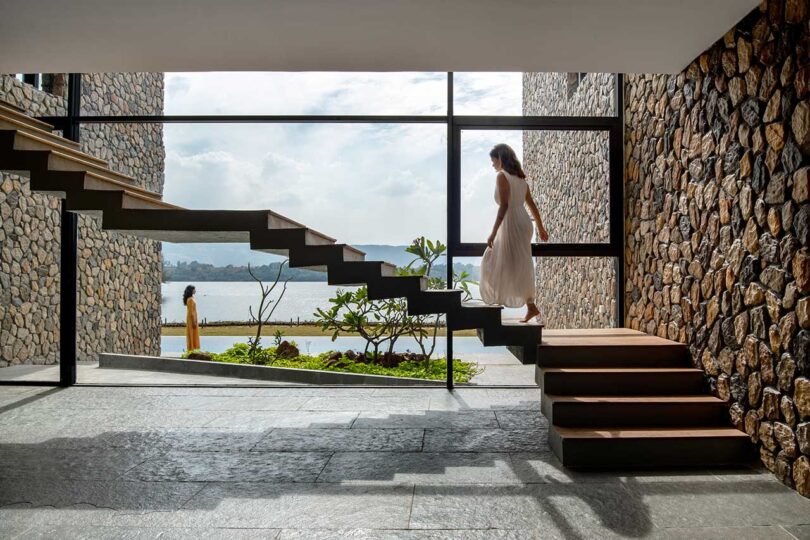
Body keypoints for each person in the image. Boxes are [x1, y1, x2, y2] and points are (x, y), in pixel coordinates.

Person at [479, 143, 549, 323]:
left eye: (493, 160)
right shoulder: (521, 179)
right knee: (521, 264)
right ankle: (530, 306)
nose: (492, 164)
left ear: (500, 158)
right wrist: (540, 227)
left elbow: (504, 205)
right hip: (524, 222)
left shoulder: (502, 176)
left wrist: (493, 233)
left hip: (512, 223)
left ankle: (498, 297)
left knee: (494, 259)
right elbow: (531, 205)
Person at [183, 285, 201, 351]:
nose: (195, 291)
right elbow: (191, 312)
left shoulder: (191, 298)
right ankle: (191, 348)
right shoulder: (190, 299)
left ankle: (193, 348)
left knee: (193, 333)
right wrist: (194, 321)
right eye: (194, 289)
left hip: (193, 317)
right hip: (191, 318)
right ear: (191, 290)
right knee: (191, 333)